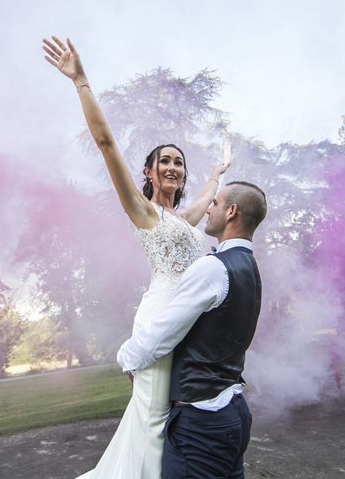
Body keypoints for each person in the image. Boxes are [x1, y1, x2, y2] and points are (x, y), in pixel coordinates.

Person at [42, 36, 230, 479]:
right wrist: (81, 81)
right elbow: (106, 143)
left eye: (179, 163)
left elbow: (204, 201)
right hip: (160, 319)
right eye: (165, 161)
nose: (173, 167)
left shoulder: (183, 220)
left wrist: (218, 173)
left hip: (188, 321)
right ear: (148, 171)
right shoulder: (143, 212)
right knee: (151, 422)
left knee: (170, 418)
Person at [118, 181, 268, 479]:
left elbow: (161, 335)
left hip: (202, 424)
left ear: (231, 212)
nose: (208, 209)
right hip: (234, 413)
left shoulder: (212, 268)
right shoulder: (250, 269)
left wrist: (125, 358)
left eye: (215, 203)